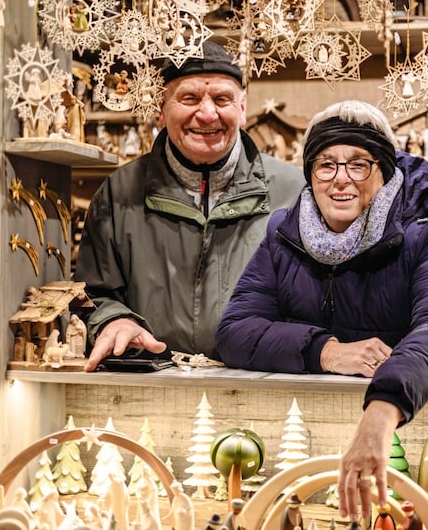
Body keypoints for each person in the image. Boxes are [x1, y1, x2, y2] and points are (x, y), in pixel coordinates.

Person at [215, 100, 428, 522]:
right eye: (326, 164)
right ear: (310, 172)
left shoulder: (422, 237)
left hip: (399, 445)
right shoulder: (282, 236)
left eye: (359, 164)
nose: (340, 180)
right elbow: (234, 331)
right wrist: (327, 351)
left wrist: (381, 412)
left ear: (384, 171)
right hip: (298, 447)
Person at [76, 41, 304, 371]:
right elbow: (91, 294)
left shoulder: (292, 191)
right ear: (161, 108)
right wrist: (114, 321)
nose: (208, 113)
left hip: (264, 381)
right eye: (190, 98)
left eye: (222, 99)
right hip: (152, 384)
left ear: (242, 109)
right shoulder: (119, 193)